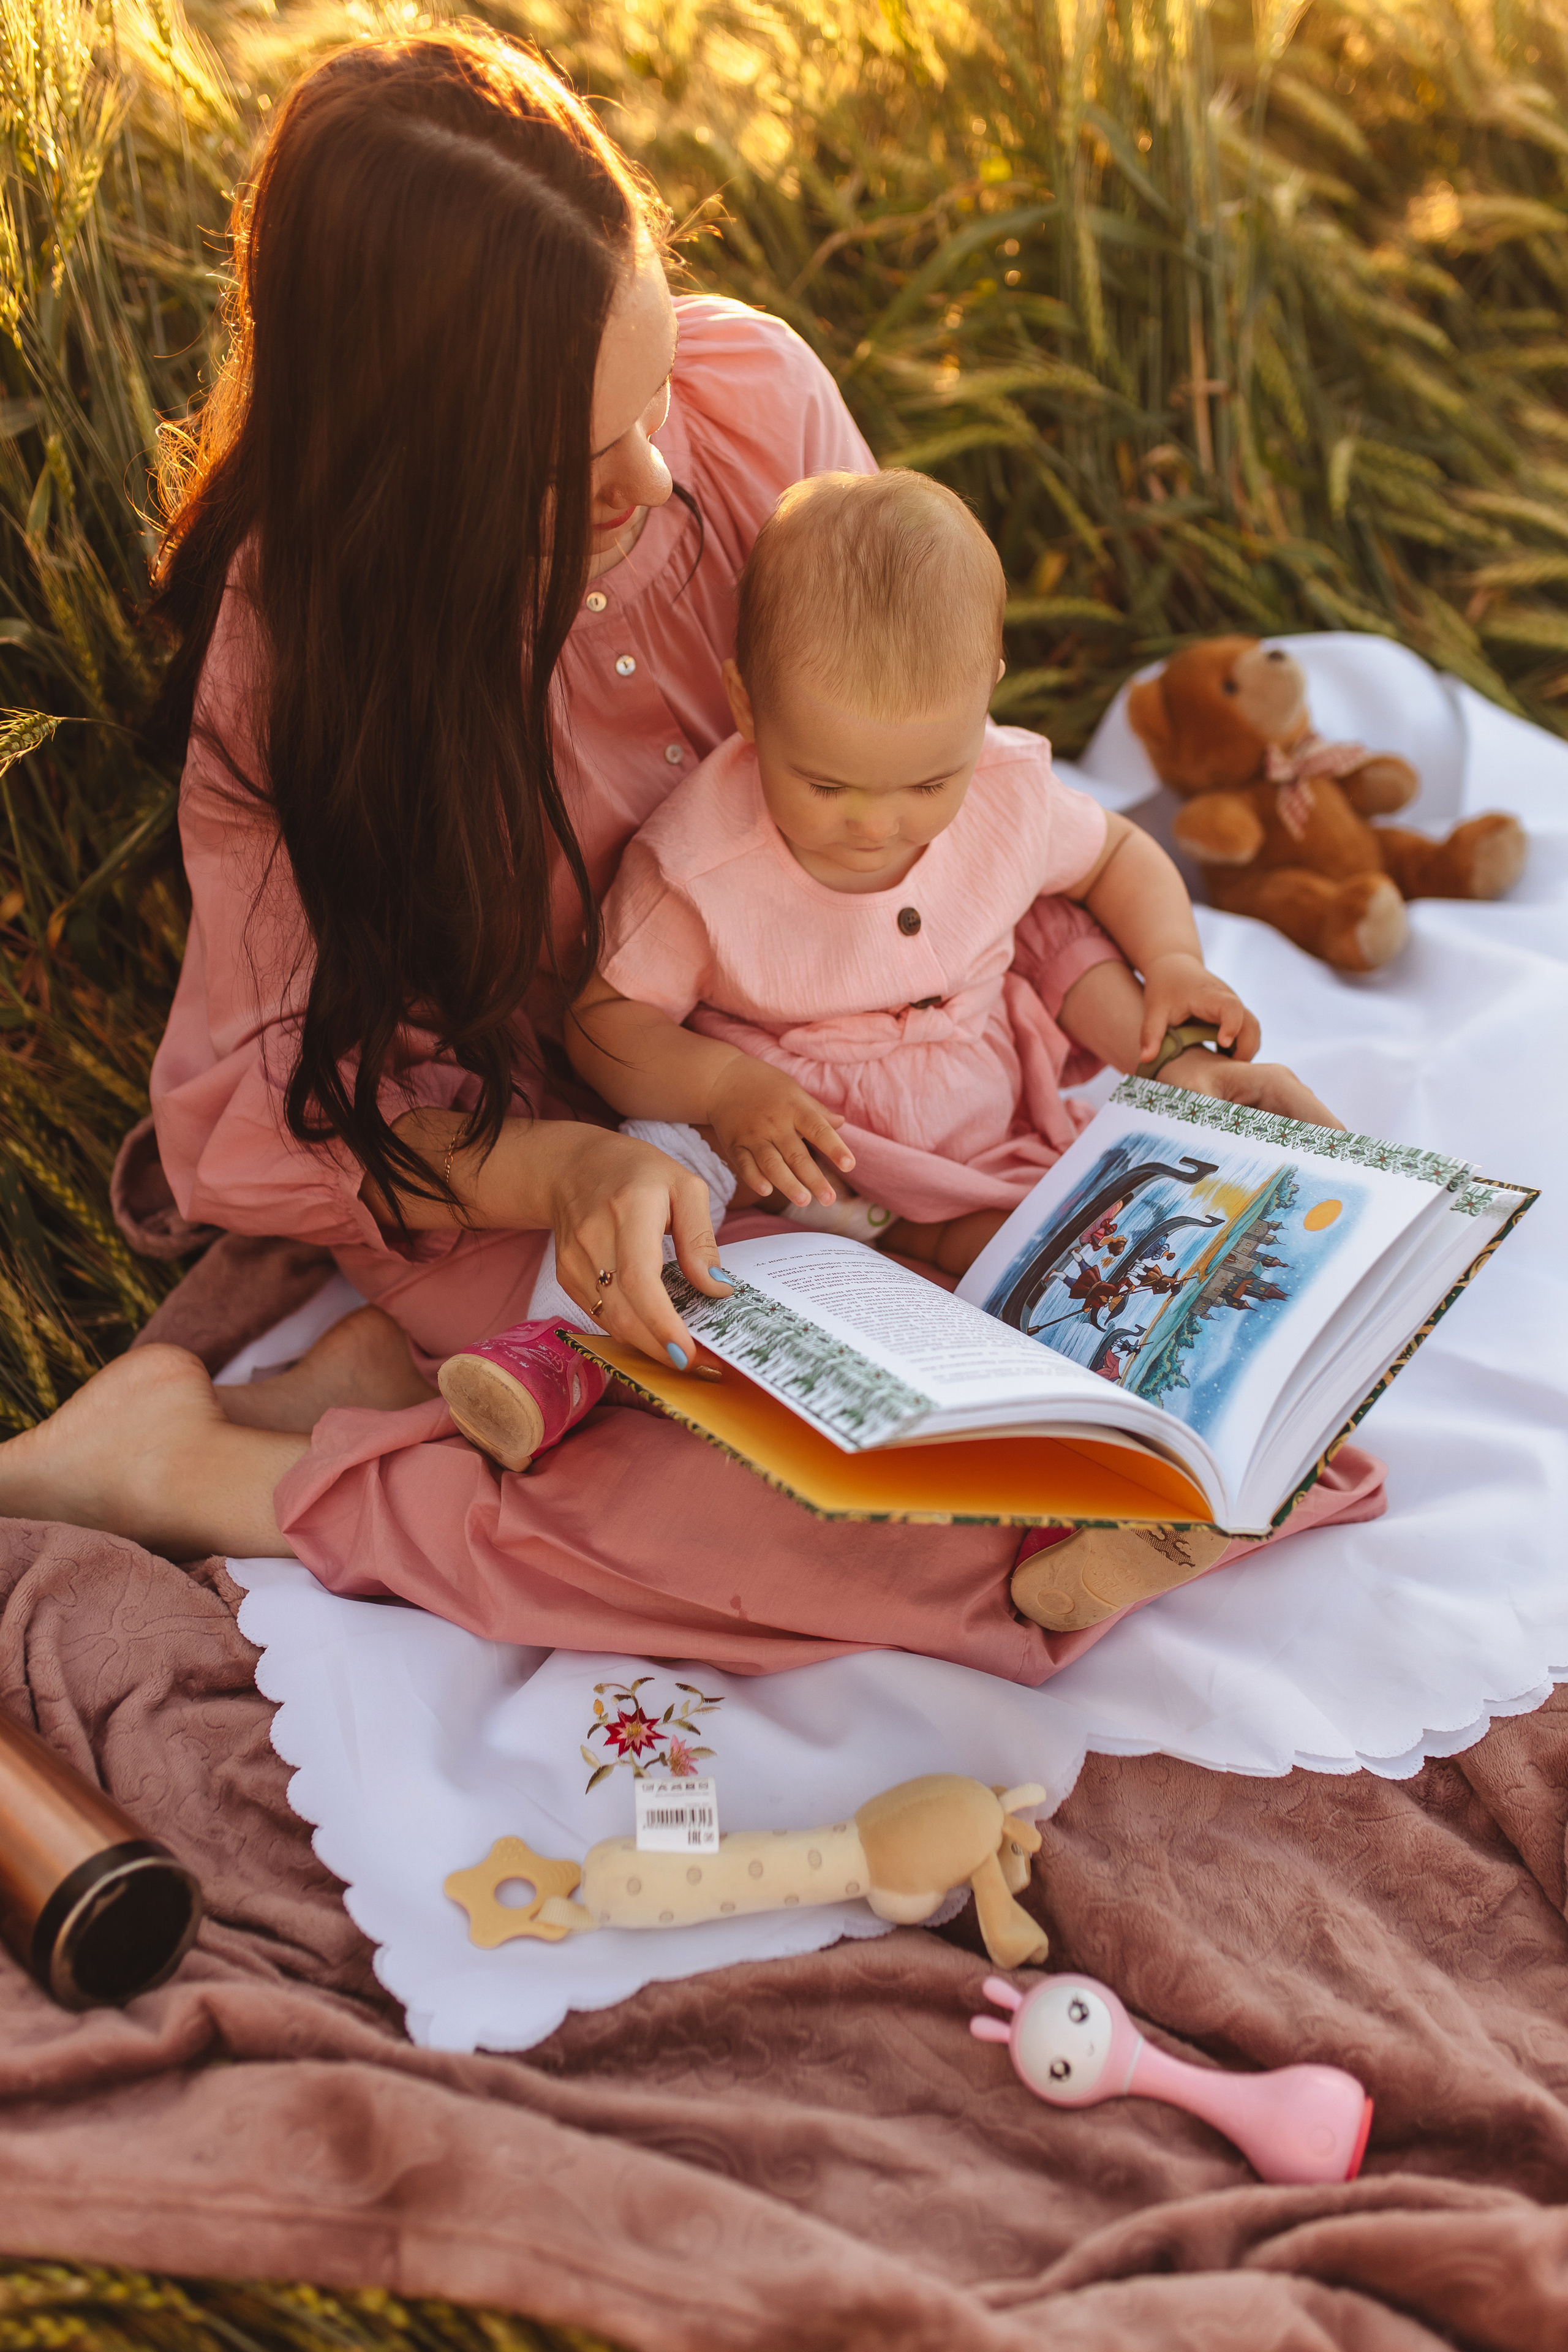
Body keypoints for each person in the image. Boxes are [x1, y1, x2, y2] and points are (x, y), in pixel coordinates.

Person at [0, 29, 1385, 1675]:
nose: (652, 475)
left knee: (1216, 1390)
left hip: (830, 1118)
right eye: (572, 470)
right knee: (888, 1531)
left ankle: (389, 1382)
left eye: (649, 396)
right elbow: (294, 1108)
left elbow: (931, 819)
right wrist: (579, 1167)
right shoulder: (306, 656)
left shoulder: (752, 410)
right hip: (529, 1165)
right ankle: (214, 1467)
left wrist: (1144, 1046)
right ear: (412, 473)